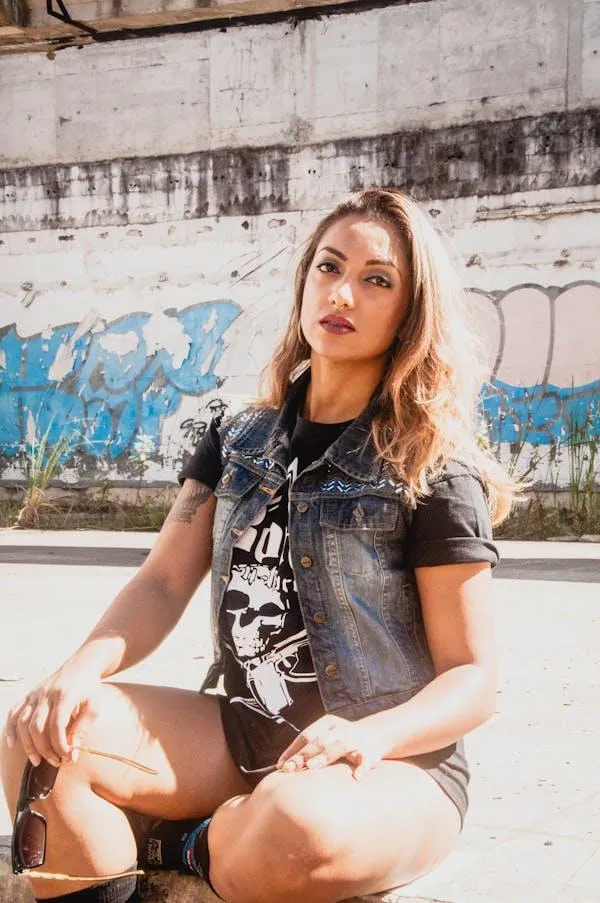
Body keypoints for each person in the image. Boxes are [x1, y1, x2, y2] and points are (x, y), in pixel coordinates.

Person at [1, 187, 514, 903]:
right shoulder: (237, 439)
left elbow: (472, 679)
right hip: (247, 735)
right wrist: (78, 669)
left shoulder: (429, 466)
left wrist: (370, 735)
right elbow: (161, 582)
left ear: (409, 311)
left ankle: (183, 840)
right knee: (42, 736)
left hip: (391, 769)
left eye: (377, 279)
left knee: (298, 824)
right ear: (304, 280)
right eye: (329, 267)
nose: (343, 292)